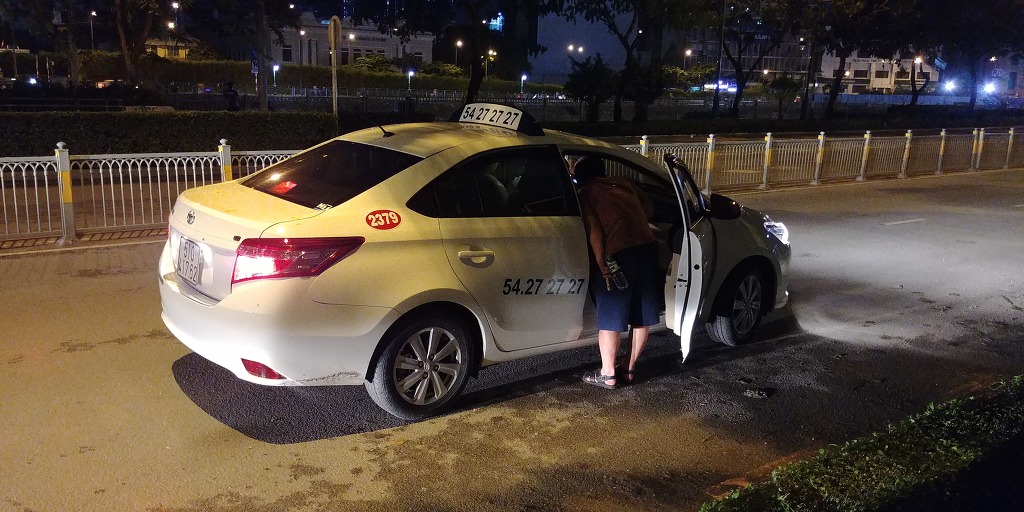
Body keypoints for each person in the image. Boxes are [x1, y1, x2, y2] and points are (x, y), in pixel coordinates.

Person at [574, 156, 660, 389]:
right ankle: (628, 370)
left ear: (580, 177)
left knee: (611, 315)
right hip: (648, 248)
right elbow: (648, 208)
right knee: (641, 316)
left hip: (619, 252)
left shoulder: (586, 192)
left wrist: (601, 260)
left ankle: (608, 374)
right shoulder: (623, 183)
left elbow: (594, 230)